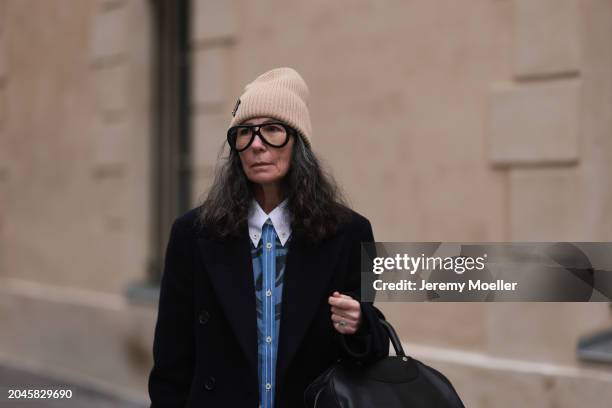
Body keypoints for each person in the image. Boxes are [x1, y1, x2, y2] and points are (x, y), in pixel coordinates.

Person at [148, 67, 389, 408]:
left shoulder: (349, 233)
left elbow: (371, 352)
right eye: (244, 133)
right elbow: (171, 360)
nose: (257, 145)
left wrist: (361, 324)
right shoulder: (193, 234)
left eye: (272, 130)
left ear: (298, 144)